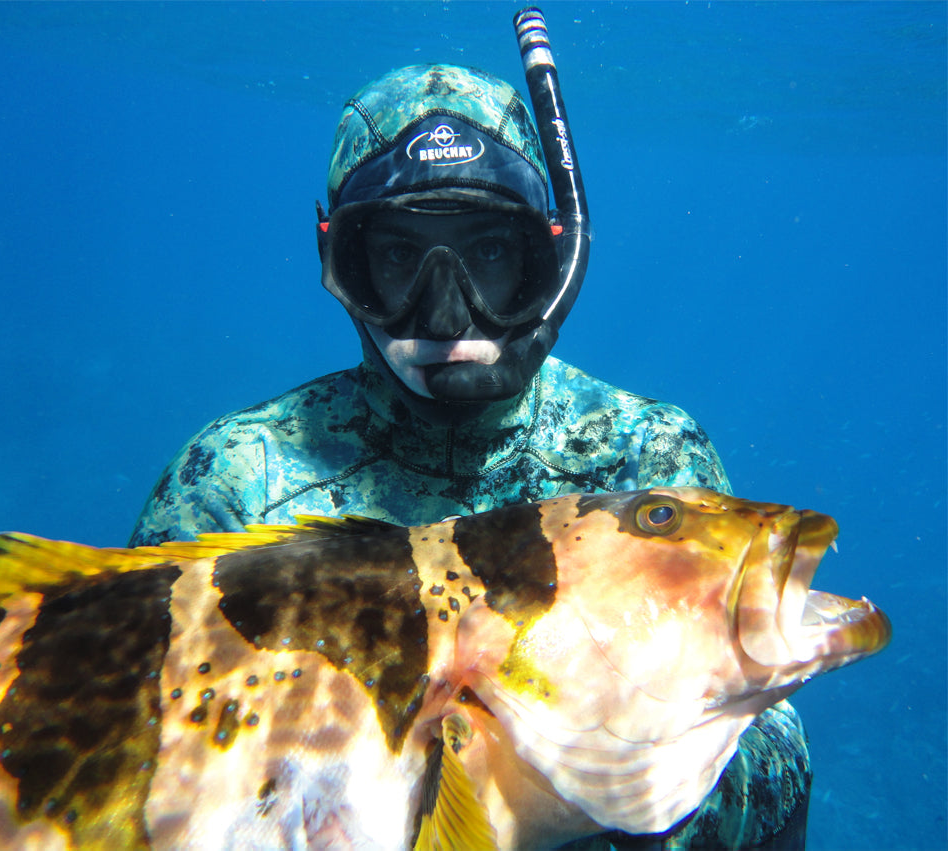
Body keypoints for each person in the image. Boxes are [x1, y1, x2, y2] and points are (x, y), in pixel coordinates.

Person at [130, 63, 810, 849]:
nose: (447, 309)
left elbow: (773, 753)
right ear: (335, 262)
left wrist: (593, 770)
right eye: (395, 258)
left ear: (548, 258)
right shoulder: (234, 479)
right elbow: (125, 746)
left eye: (488, 251)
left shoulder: (646, 459)